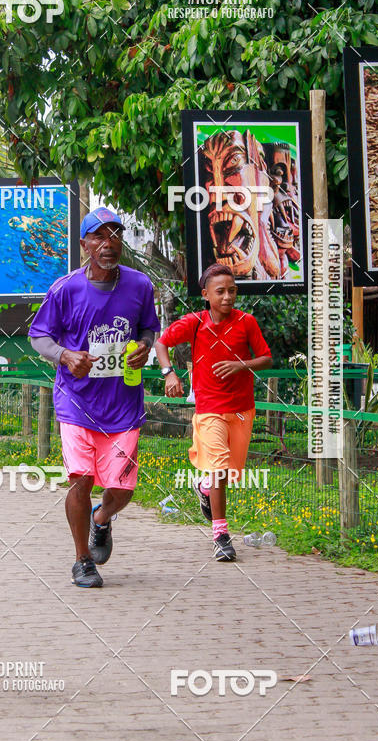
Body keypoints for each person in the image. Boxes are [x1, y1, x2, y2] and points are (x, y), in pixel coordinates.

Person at [29, 207, 161, 588]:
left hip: (123, 403)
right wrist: (66, 355)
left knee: (121, 489)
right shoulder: (65, 288)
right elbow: (39, 336)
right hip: (77, 401)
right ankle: (82, 561)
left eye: (115, 235)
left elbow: (148, 328)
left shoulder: (139, 285)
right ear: (84, 244)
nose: (109, 244)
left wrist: (145, 347)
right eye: (99, 237)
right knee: (81, 480)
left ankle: (101, 521)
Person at [155, 263, 272, 562]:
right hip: (209, 409)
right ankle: (221, 535)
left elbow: (266, 358)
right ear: (206, 294)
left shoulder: (247, 322)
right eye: (220, 291)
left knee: (230, 470)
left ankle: (204, 487)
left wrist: (240, 365)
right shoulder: (194, 322)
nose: (228, 297)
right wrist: (170, 374)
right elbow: (162, 342)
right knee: (219, 467)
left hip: (242, 407)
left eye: (232, 290)